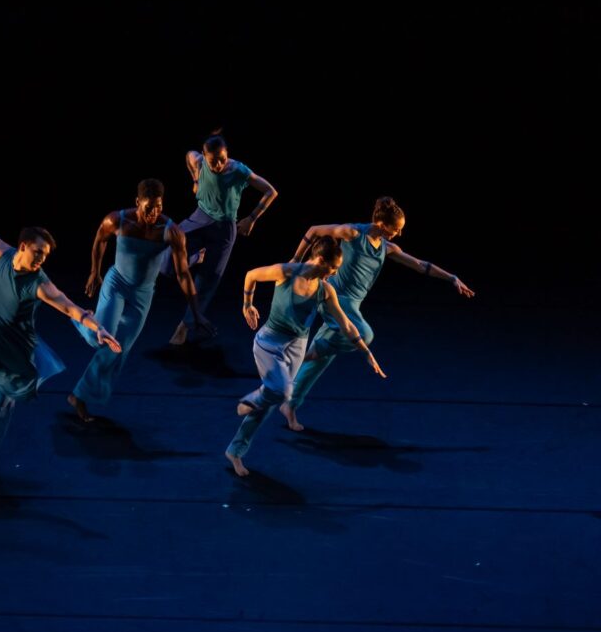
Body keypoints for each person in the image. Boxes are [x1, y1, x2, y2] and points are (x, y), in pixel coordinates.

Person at [0, 225, 121, 474]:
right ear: (22, 247)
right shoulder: (1, 253)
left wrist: (97, 327)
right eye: (38, 252)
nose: (41, 259)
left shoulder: (39, 284)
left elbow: (68, 307)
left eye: (45, 255)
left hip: (14, 345)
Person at [280, 197, 475, 431]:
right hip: (334, 297)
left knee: (323, 358)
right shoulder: (353, 233)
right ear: (382, 224)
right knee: (364, 334)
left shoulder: (386, 247)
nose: (399, 234)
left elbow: (420, 265)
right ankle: (296, 356)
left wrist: (452, 277)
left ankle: (289, 404)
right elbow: (314, 230)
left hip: (353, 305)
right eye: (396, 229)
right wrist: (295, 259)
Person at [225, 237, 385, 477]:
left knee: (271, 400)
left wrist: (366, 352)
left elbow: (346, 324)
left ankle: (235, 450)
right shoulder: (286, 272)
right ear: (320, 260)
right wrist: (247, 304)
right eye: (333, 267)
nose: (335, 273)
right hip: (270, 341)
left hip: (297, 346)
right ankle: (253, 399)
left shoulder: (325, 290)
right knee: (281, 390)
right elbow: (251, 275)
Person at [68, 178, 213, 421]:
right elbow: (100, 239)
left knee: (117, 349)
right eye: (149, 208)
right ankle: (80, 318)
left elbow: (183, 274)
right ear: (138, 202)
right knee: (99, 337)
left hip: (143, 294)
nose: (154, 213)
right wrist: (95, 272)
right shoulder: (117, 220)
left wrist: (196, 313)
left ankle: (80, 396)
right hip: (116, 284)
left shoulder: (171, 231)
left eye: (159, 207)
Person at [163, 131, 278, 345]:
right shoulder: (199, 161)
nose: (218, 165)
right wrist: (195, 178)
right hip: (200, 217)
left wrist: (251, 218)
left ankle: (184, 326)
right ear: (205, 157)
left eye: (222, 159)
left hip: (224, 229)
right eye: (213, 161)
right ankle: (196, 257)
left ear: (227, 154)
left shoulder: (238, 170)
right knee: (168, 255)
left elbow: (270, 191)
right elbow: (189, 155)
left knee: (208, 280)